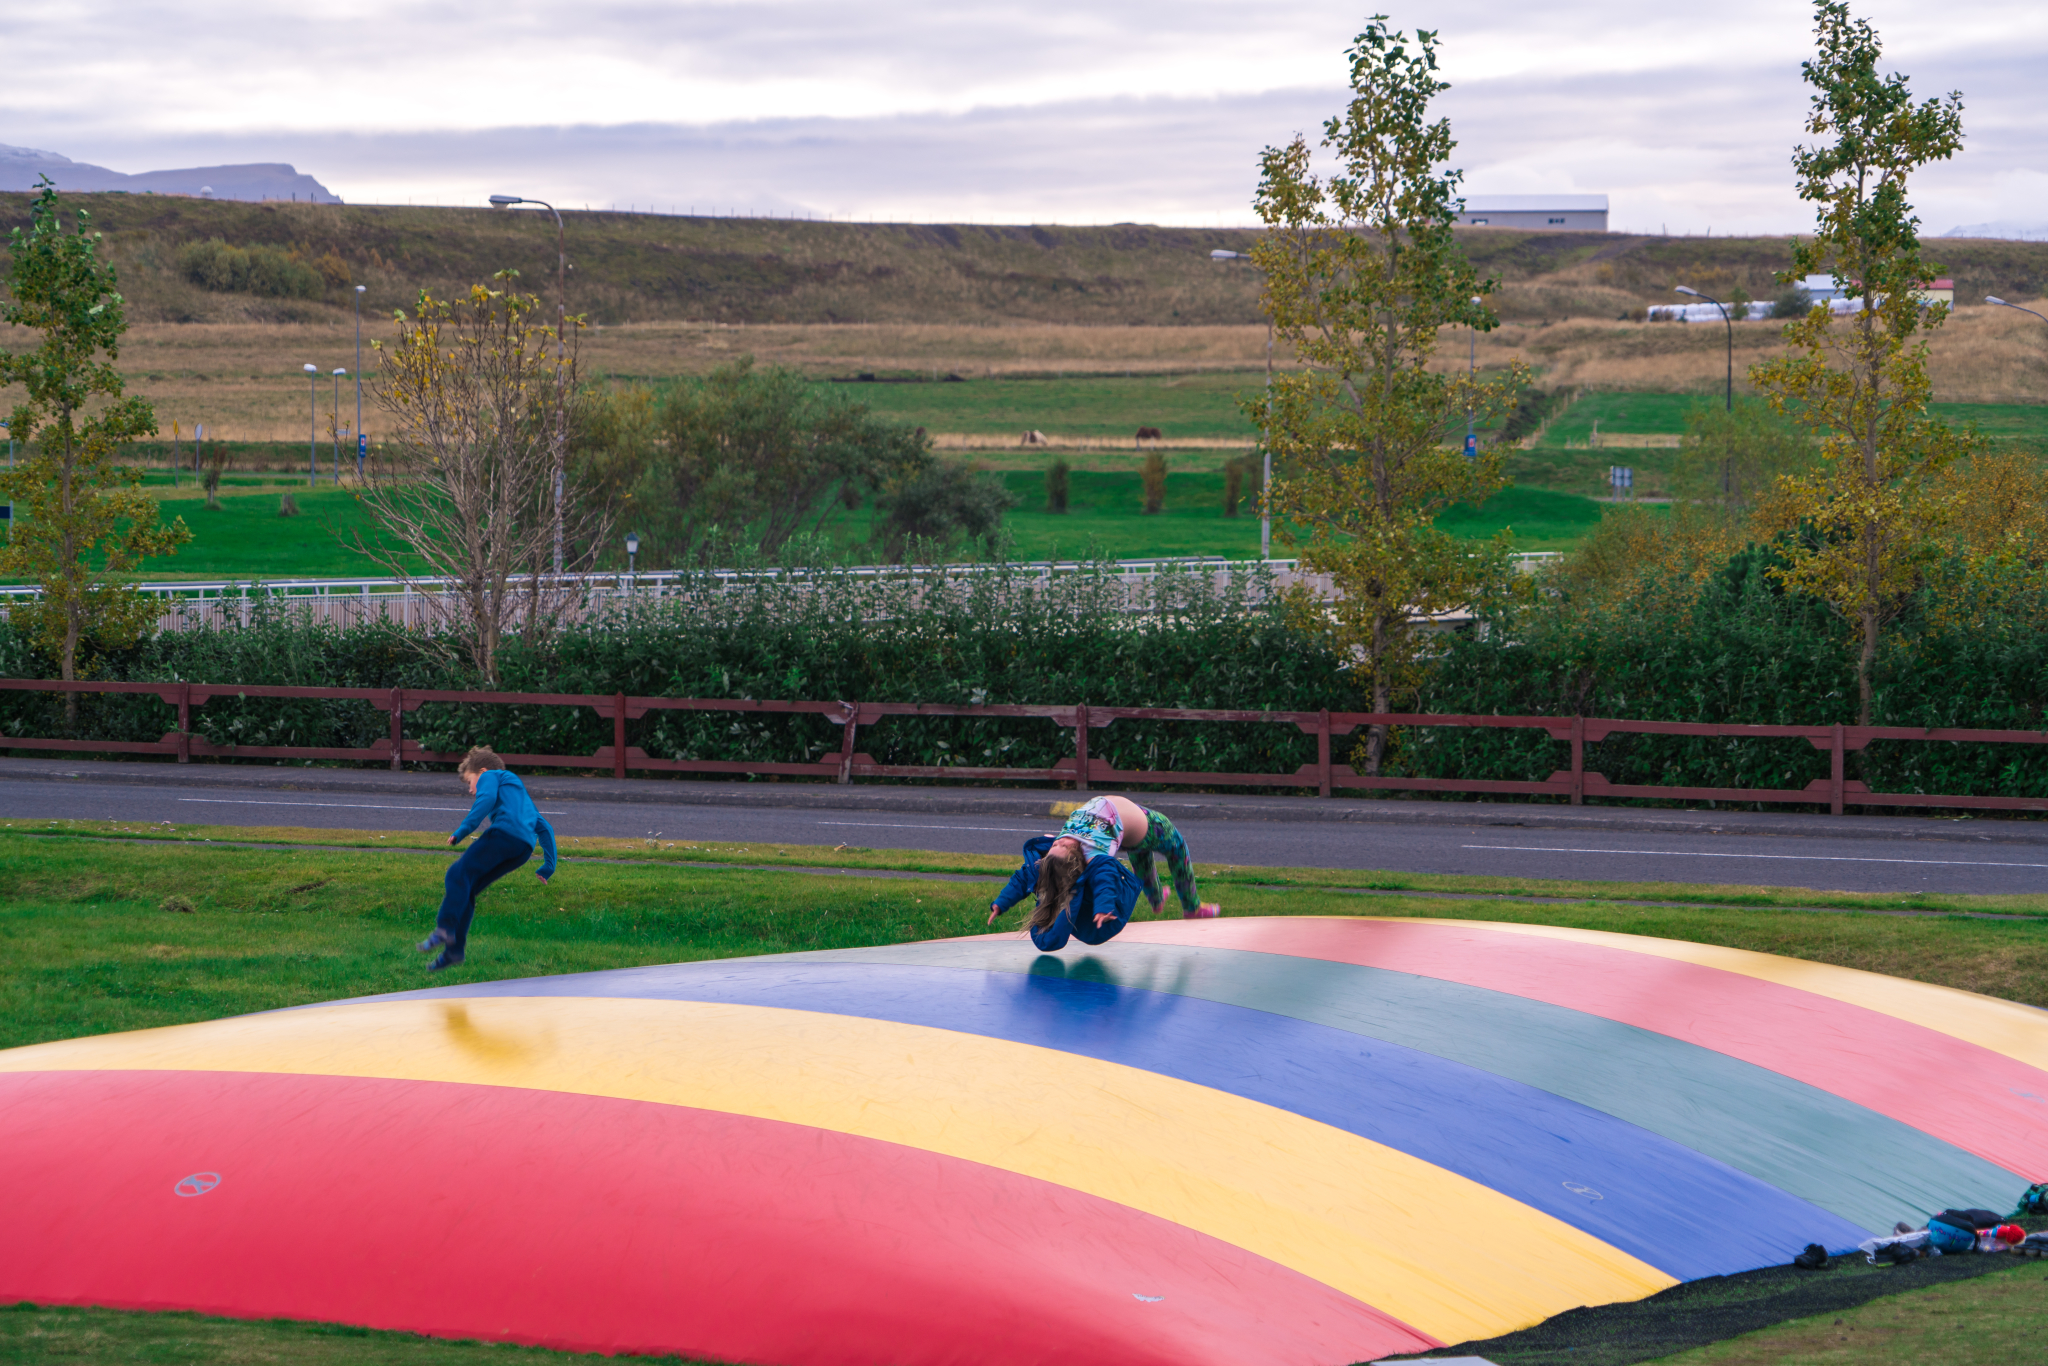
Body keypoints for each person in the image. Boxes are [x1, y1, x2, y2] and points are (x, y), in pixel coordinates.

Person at [985, 794, 1218, 952]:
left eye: (1056, 845)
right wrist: (1103, 908)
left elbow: (1025, 875)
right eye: (1065, 847)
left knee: (1141, 855)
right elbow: (1105, 881)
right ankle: (1192, 907)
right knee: (1177, 849)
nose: (1061, 842)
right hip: (1147, 826)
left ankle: (1156, 899)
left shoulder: (1054, 853)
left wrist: (1001, 903)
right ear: (1076, 856)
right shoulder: (1094, 858)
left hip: (1127, 833)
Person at [415, 746, 557, 971]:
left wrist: (463, 829)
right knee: (467, 888)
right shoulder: (520, 796)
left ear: (481, 771)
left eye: (470, 782)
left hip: (505, 835)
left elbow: (487, 797)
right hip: (522, 850)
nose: (471, 790)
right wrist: (548, 866)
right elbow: (545, 828)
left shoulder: (490, 775)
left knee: (456, 874)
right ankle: (454, 952)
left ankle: (445, 928)